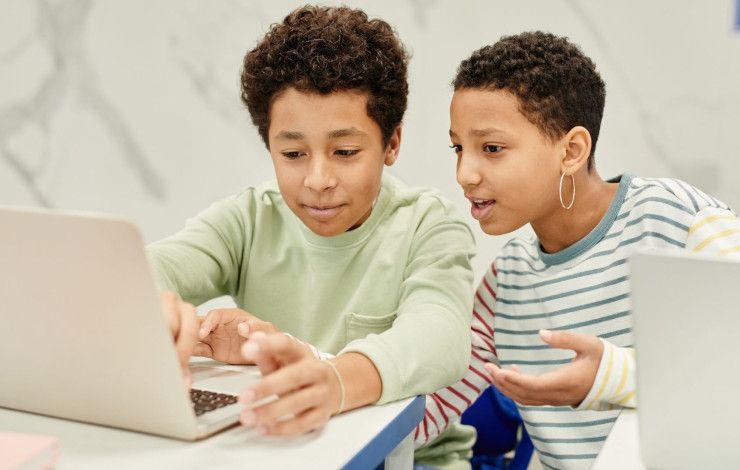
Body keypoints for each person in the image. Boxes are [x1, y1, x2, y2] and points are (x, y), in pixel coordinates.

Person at [413, 31, 740, 469]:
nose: (464, 173)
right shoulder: (503, 284)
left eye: (491, 148)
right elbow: (424, 417)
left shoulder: (680, 219)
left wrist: (609, 374)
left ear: (571, 151)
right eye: (458, 147)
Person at [149, 5, 476, 438]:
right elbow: (154, 266)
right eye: (292, 154)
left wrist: (336, 381)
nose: (318, 180)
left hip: (407, 457)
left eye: (344, 153)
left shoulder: (429, 227)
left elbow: (441, 337)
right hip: (286, 447)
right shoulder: (249, 218)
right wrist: (150, 305)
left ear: (391, 142)